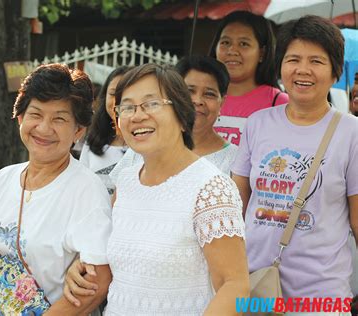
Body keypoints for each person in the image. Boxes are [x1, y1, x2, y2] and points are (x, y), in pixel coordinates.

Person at [65, 64, 249, 315]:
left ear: (182, 116)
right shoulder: (127, 181)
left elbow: (235, 285)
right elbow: (114, 252)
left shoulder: (210, 188)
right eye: (127, 107)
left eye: (151, 103)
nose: (137, 115)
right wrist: (85, 262)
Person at [0, 64, 112, 316]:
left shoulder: (86, 191)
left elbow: (98, 280)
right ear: (20, 117)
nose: (44, 128)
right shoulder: (2, 179)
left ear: (78, 131)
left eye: (59, 118)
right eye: (36, 114)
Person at [231, 15, 358, 302]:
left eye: (316, 61)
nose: (303, 70)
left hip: (320, 295)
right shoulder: (257, 123)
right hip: (255, 285)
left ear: (336, 72)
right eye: (293, 59)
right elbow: (237, 206)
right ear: (280, 67)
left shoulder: (352, 132)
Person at [110, 56, 238, 183]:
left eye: (209, 94)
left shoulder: (235, 159)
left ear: (222, 103)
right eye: (190, 91)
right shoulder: (143, 148)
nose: (198, 101)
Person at [209, 11, 289, 145]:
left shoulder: (280, 105)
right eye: (225, 42)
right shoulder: (197, 98)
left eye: (243, 44)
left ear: (262, 53)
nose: (232, 51)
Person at [79, 66, 132, 195]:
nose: (117, 101)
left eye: (125, 94)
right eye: (113, 93)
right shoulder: (92, 142)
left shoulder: (146, 145)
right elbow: (80, 187)